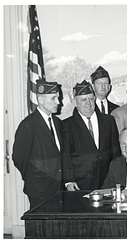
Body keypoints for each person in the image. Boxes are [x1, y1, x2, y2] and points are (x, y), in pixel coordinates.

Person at [12, 79, 62, 209]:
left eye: (58, 98)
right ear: (40, 100)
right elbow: (19, 158)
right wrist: (34, 177)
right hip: (39, 190)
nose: (58, 102)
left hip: (58, 187)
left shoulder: (57, 123)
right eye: (53, 98)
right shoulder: (28, 125)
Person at [62, 80, 120, 191]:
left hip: (107, 181)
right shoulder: (66, 125)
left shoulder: (108, 121)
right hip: (80, 183)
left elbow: (115, 151)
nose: (88, 103)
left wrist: (117, 176)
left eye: (91, 99)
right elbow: (65, 156)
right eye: (83, 100)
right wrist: (69, 180)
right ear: (76, 102)